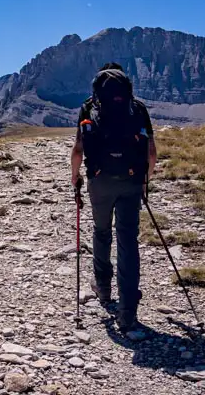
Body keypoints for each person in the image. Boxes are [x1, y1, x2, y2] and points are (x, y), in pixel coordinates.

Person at [71, 63, 157, 334]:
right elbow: (151, 153)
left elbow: (78, 149)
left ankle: (104, 289)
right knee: (128, 240)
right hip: (131, 181)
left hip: (100, 180)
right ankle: (128, 311)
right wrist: (145, 181)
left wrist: (75, 177)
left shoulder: (89, 107)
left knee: (100, 231)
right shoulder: (138, 108)